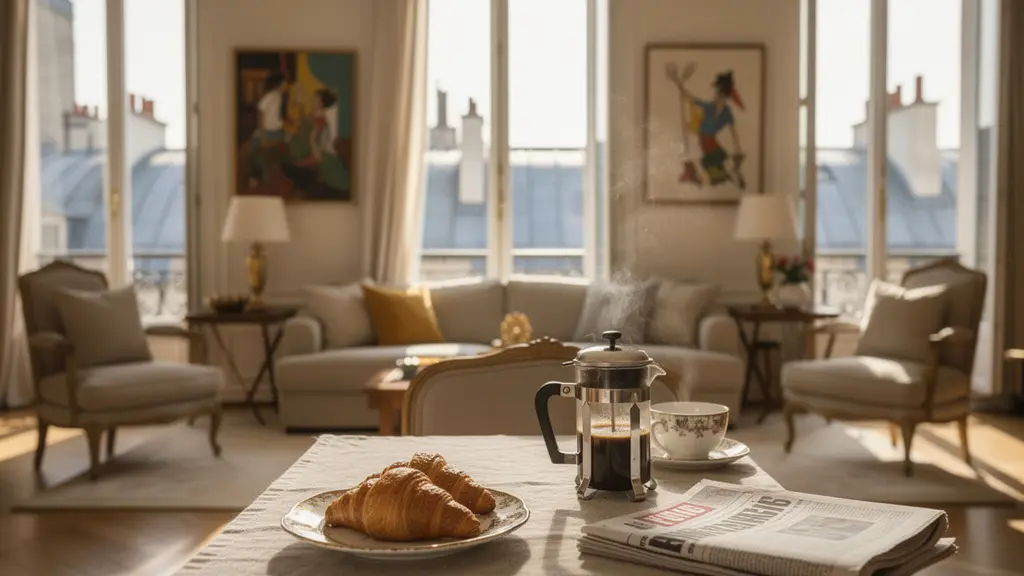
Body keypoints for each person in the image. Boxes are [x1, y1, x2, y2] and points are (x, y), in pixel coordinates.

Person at [668, 68, 747, 188]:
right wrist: (679, 84)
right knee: (712, 167)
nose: (714, 94)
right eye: (715, 92)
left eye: (716, 92)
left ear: (723, 94)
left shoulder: (727, 113)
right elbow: (691, 99)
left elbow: (733, 132)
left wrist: (738, 148)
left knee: (710, 165)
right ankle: (729, 176)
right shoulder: (709, 107)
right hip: (704, 142)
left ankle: (729, 176)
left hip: (710, 143)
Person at [256, 72, 288, 144]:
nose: (287, 85)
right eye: (285, 83)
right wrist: (262, 133)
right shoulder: (272, 95)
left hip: (278, 131)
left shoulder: (279, 96)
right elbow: (260, 110)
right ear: (280, 84)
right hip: (270, 132)